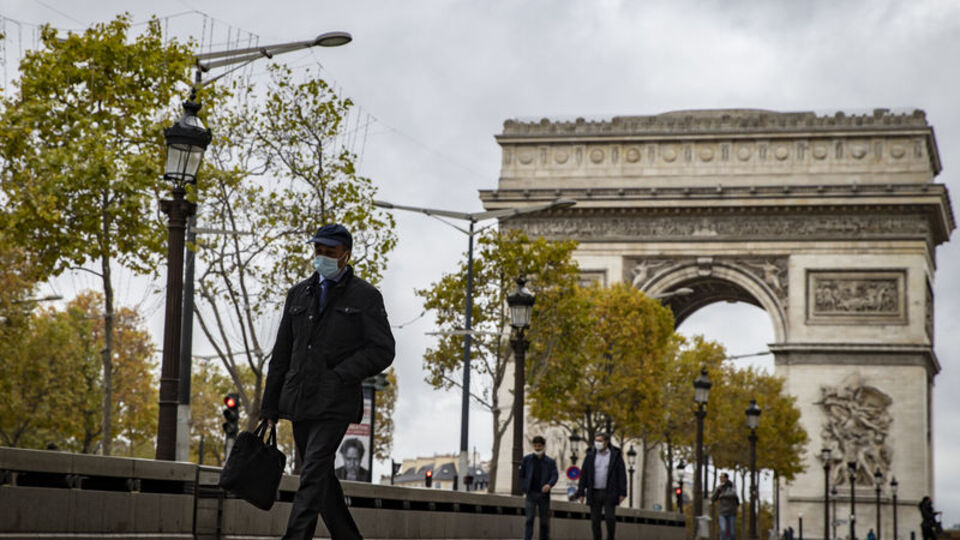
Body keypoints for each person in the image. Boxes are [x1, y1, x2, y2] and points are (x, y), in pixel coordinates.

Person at [260, 223, 395, 540]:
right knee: (318, 475)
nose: (321, 256)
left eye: (329, 252)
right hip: (299, 400)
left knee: (311, 473)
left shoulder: (365, 296)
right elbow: (281, 354)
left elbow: (383, 350)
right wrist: (269, 406)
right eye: (318, 250)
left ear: (345, 255)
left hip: (335, 401)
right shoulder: (298, 294)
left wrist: (341, 374)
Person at [576, 433, 627, 540]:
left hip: (609, 492)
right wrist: (581, 492)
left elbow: (621, 474)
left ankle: (610, 537)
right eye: (596, 440)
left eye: (600, 440)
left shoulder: (615, 455)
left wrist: (623, 492)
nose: (597, 443)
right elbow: (584, 474)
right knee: (595, 520)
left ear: (606, 442)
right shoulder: (590, 455)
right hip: (594, 492)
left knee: (610, 518)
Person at [519, 435, 559, 540]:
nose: (537, 448)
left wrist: (549, 485)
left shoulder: (550, 462)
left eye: (539, 446)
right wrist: (524, 487)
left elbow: (555, 475)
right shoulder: (527, 460)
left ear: (543, 446)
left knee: (544, 521)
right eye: (535, 446)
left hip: (544, 495)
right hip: (531, 493)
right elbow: (521, 475)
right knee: (529, 519)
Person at [712, 472, 740, 540]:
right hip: (722, 512)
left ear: (726, 478)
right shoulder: (719, 487)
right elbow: (713, 498)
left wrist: (722, 496)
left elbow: (733, 494)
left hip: (731, 512)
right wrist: (718, 490)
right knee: (723, 530)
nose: (721, 479)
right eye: (720, 477)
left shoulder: (732, 486)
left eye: (722, 477)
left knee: (732, 532)